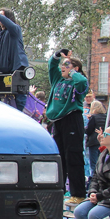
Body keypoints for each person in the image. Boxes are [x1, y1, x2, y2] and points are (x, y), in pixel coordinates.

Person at [46, 49, 90, 206]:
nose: (62, 67)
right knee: (59, 158)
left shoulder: (76, 82)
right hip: (58, 121)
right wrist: (59, 55)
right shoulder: (58, 80)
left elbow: (82, 83)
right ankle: (59, 192)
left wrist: (72, 70)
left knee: (73, 156)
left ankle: (78, 194)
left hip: (72, 119)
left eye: (66, 65)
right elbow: (52, 66)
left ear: (74, 69)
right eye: (63, 65)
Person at [0, 4, 29, 110]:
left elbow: (11, 26)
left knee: (19, 98)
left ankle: (20, 115)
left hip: (18, 68)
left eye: (1, 15)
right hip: (5, 70)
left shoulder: (15, 31)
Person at [85, 101, 108, 178]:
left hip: (93, 142)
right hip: (104, 141)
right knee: (102, 162)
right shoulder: (106, 116)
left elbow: (89, 130)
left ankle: (94, 181)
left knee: (94, 164)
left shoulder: (93, 117)